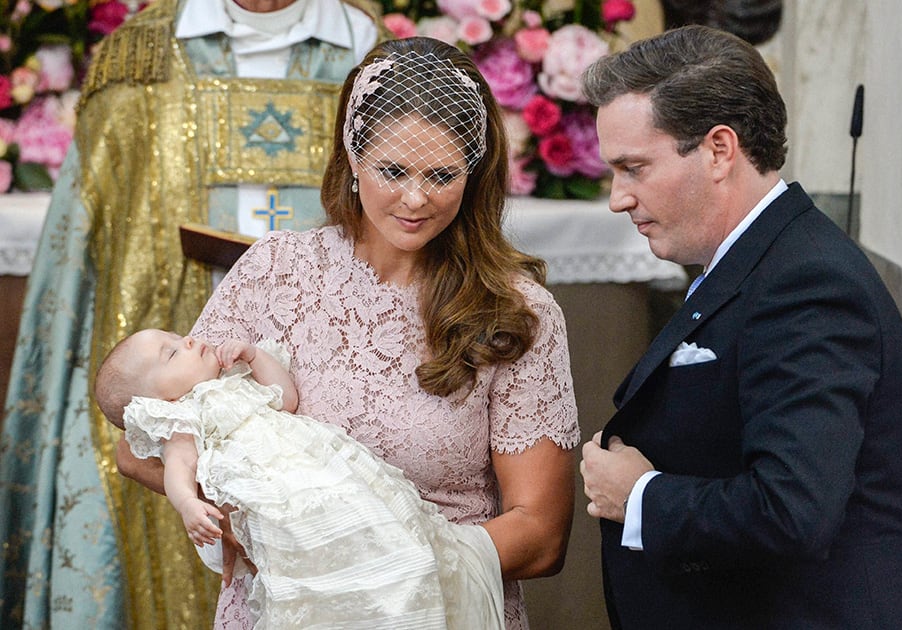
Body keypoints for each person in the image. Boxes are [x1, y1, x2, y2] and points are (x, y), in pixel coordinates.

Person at [116, 36, 580, 629]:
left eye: (442, 175)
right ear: (352, 157)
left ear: (474, 173)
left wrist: (378, 569)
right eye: (394, 170)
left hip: (433, 610)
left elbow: (542, 537)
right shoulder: (276, 269)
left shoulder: (517, 311)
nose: (416, 199)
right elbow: (143, 440)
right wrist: (268, 526)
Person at [0, 1, 384, 627]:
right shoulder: (142, 55)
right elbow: (91, 244)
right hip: (176, 322)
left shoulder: (369, 51)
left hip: (333, 352)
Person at [578, 25, 902, 629]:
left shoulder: (806, 282)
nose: (618, 198)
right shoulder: (759, 259)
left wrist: (641, 497)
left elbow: (793, 509)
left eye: (635, 168)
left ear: (720, 149)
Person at [95, 329, 506, 629]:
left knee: (382, 531)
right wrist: (187, 504)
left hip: (328, 475)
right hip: (279, 504)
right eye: (170, 355)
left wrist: (255, 356)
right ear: (158, 402)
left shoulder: (233, 379)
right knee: (314, 577)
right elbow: (178, 469)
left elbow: (285, 397)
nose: (186, 341)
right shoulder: (181, 418)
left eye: (175, 336)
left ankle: (409, 595)